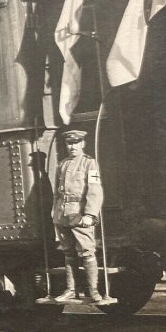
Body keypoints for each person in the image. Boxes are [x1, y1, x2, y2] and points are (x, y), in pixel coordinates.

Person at [52, 130, 104, 303]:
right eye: (69, 143)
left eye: (76, 143)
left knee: (87, 252)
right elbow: (56, 193)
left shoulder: (89, 163)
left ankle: (93, 291)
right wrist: (55, 212)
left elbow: (95, 190)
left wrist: (90, 214)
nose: (72, 146)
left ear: (83, 144)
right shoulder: (62, 165)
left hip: (80, 214)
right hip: (63, 214)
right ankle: (70, 290)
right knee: (68, 253)